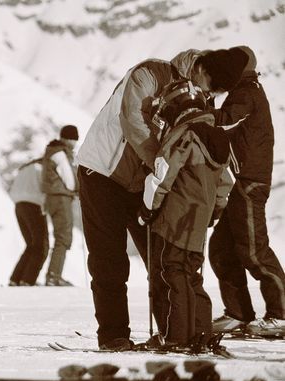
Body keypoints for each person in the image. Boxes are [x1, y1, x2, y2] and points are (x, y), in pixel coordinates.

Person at [76, 47, 248, 350]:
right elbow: (133, 122)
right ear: (201, 70)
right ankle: (114, 336)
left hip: (145, 182)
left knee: (162, 259)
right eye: (213, 87)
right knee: (109, 261)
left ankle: (174, 334)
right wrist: (165, 162)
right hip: (102, 173)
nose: (212, 95)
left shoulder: (199, 96)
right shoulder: (150, 74)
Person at [138, 80, 233, 346]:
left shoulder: (183, 135)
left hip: (175, 219)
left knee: (173, 273)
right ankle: (201, 335)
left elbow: (161, 175)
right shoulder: (215, 137)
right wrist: (214, 211)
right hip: (198, 221)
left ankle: (176, 337)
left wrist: (147, 209)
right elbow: (226, 182)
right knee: (192, 275)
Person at [208, 46, 285, 337]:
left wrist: (193, 111)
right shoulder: (243, 91)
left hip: (249, 182)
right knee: (222, 250)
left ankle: (281, 314)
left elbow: (225, 120)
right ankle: (238, 313)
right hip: (241, 181)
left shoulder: (246, 93)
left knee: (254, 250)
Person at [42, 125, 79, 286]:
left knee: (60, 235)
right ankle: (54, 275)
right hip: (61, 197)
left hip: (52, 198)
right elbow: (69, 179)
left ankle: (53, 273)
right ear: (67, 138)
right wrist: (77, 190)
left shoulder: (53, 151)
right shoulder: (59, 154)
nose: (74, 142)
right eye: (73, 138)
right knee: (63, 236)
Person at [8, 155, 48, 286]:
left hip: (19, 206)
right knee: (41, 245)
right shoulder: (40, 169)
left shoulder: (24, 169)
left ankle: (15, 279)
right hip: (33, 205)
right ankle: (28, 280)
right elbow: (48, 187)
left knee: (30, 245)